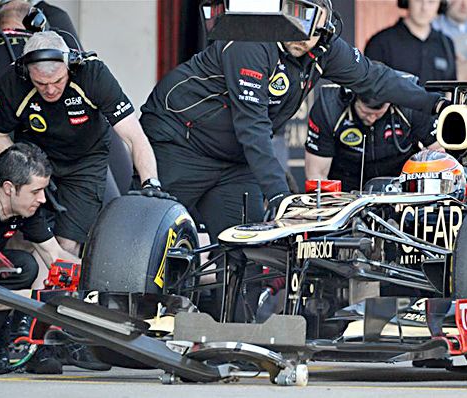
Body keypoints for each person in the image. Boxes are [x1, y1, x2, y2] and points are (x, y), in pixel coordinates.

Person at [139, 0, 448, 319]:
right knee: (145, 237)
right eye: (293, 24)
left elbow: (374, 78)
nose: (301, 36)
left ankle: (233, 340)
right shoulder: (251, 38)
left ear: (325, 26)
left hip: (234, 162)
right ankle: (127, 324)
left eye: (311, 30)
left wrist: (437, 104)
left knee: (247, 255)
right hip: (180, 142)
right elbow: (253, 126)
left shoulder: (325, 48)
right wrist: (279, 195)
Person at [0, 31, 162, 257]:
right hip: (35, 158)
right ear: (26, 72)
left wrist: (151, 182)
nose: (50, 89)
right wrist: (21, 169)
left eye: (57, 80)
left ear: (71, 66)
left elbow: (134, 136)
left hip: (84, 161)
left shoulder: (93, 74)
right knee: (24, 233)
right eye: (41, 83)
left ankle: (57, 289)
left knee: (67, 244)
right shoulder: (12, 81)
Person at [0, 142, 77, 375]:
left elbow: (56, 257)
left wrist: (99, 279)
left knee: (23, 266)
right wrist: (37, 301)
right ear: (8, 188)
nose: (42, 199)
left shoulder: (26, 209)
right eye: (35, 191)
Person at [305, 84, 437, 191]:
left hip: (400, 186)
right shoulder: (329, 107)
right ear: (353, 98)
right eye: (366, 113)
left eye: (378, 114)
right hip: (346, 189)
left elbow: (439, 152)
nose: (372, 118)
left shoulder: (410, 101)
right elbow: (317, 174)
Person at [364, 0, 457, 84]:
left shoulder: (447, 44)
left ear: (440, 4)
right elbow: (370, 88)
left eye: (431, 1)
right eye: (418, 0)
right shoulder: (381, 42)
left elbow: (449, 90)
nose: (424, 7)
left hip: (437, 103)